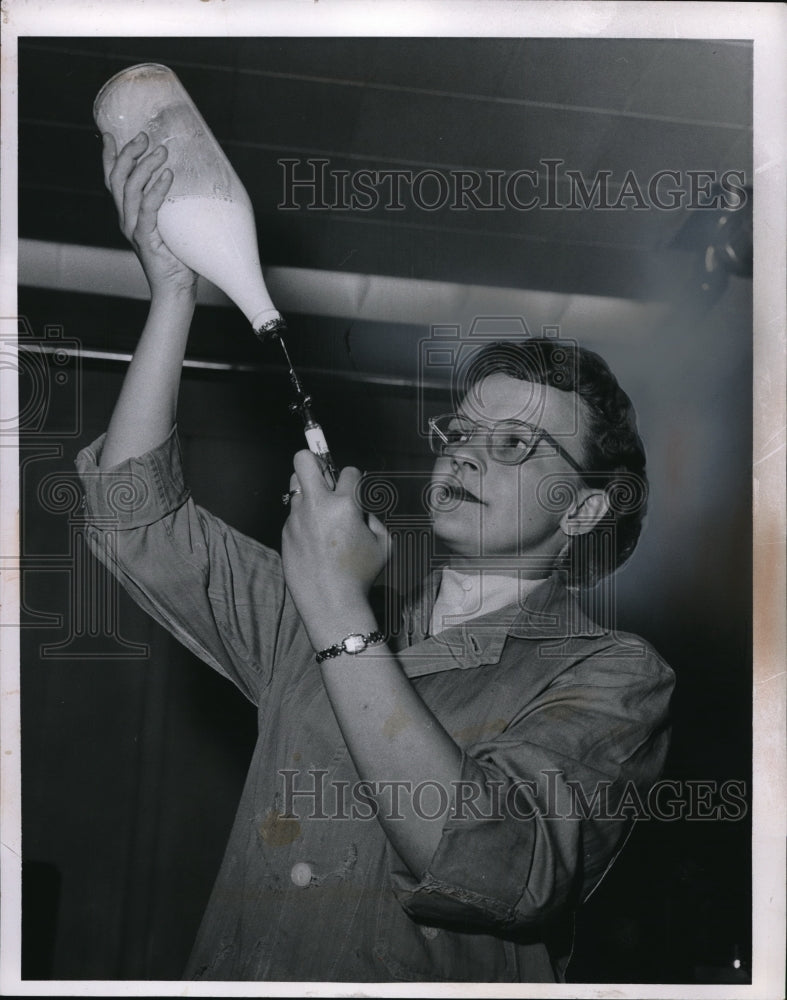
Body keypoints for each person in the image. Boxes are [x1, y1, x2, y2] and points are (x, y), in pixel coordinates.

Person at [75, 133, 675, 983]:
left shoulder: (611, 673)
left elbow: (496, 866)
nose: (464, 454)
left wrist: (337, 611)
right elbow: (136, 519)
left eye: (513, 444)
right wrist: (173, 293)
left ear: (581, 507)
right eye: (460, 433)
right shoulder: (322, 613)